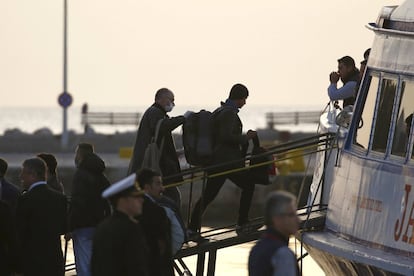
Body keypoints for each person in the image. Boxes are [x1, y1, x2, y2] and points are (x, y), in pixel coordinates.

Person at [188, 83, 258, 239]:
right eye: (244, 99)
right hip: (225, 163)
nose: (245, 103)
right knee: (248, 184)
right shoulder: (229, 113)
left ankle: (192, 229)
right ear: (239, 98)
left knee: (208, 196)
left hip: (217, 163)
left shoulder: (221, 110)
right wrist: (245, 138)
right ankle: (242, 222)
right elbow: (225, 137)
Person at [128, 88, 188, 206]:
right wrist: (183, 118)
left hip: (157, 166)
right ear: (161, 99)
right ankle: (171, 223)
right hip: (156, 167)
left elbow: (159, 141)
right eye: (171, 100)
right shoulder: (154, 112)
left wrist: (176, 153)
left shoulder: (156, 113)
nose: (173, 104)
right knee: (172, 198)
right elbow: (162, 127)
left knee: (169, 197)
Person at [15, 158, 67, 276]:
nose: (20, 176)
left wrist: (16, 264)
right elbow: (64, 228)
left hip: (32, 262)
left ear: (32, 175)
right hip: (54, 260)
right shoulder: (60, 198)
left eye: (23, 172)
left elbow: (20, 232)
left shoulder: (25, 199)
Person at [91, 173, 149, 276]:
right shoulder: (131, 229)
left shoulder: (102, 227)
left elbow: (94, 266)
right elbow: (136, 267)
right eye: (136, 196)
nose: (141, 200)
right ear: (123, 200)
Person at [67, 143, 111, 276]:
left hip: (82, 226)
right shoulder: (101, 175)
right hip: (100, 225)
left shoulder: (80, 175)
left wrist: (70, 226)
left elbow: (77, 202)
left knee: (84, 266)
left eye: (76, 153)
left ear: (80, 154)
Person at [248, 191, 300, 276]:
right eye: (291, 215)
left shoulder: (256, 249)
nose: (298, 220)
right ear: (277, 219)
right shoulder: (283, 254)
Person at [137, 168, 173, 276]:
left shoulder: (134, 207)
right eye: (158, 184)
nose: (162, 188)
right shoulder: (157, 211)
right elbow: (162, 244)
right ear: (147, 187)